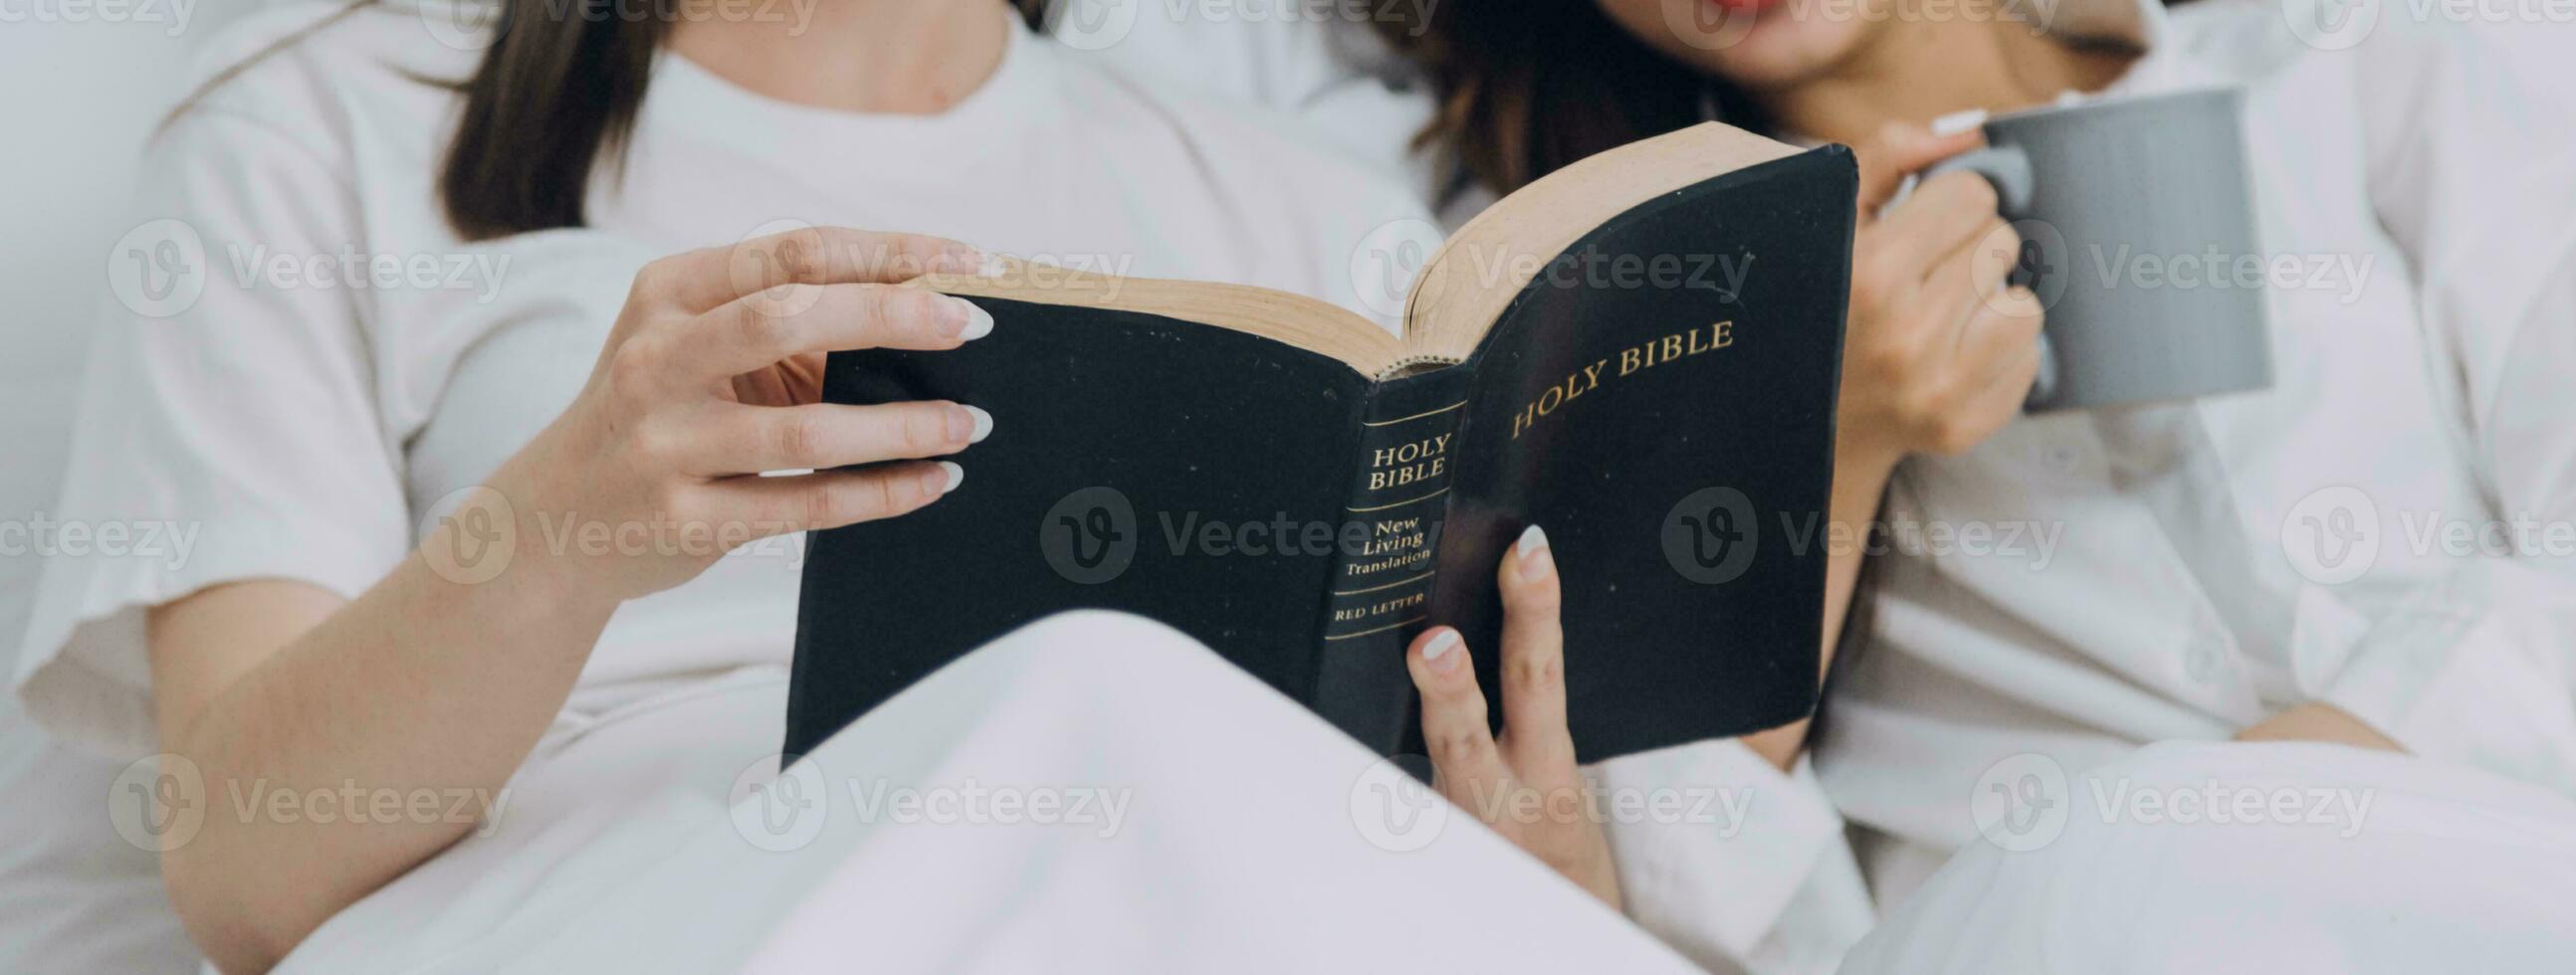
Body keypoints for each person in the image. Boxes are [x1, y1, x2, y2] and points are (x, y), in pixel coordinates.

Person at [1039, 0, 2576, 969]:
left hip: (2532, 854)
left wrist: (2301, 791)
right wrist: (1832, 440)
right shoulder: (1628, 306)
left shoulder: (2344, 85)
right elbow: (1680, 912)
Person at [10, 0, 1715, 969]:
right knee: (1089, 683)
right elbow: (237, 869)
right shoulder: (317, 128)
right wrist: (564, 528)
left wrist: (1545, 873)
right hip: (613, 916)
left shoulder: (1300, 209)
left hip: (1220, 901)